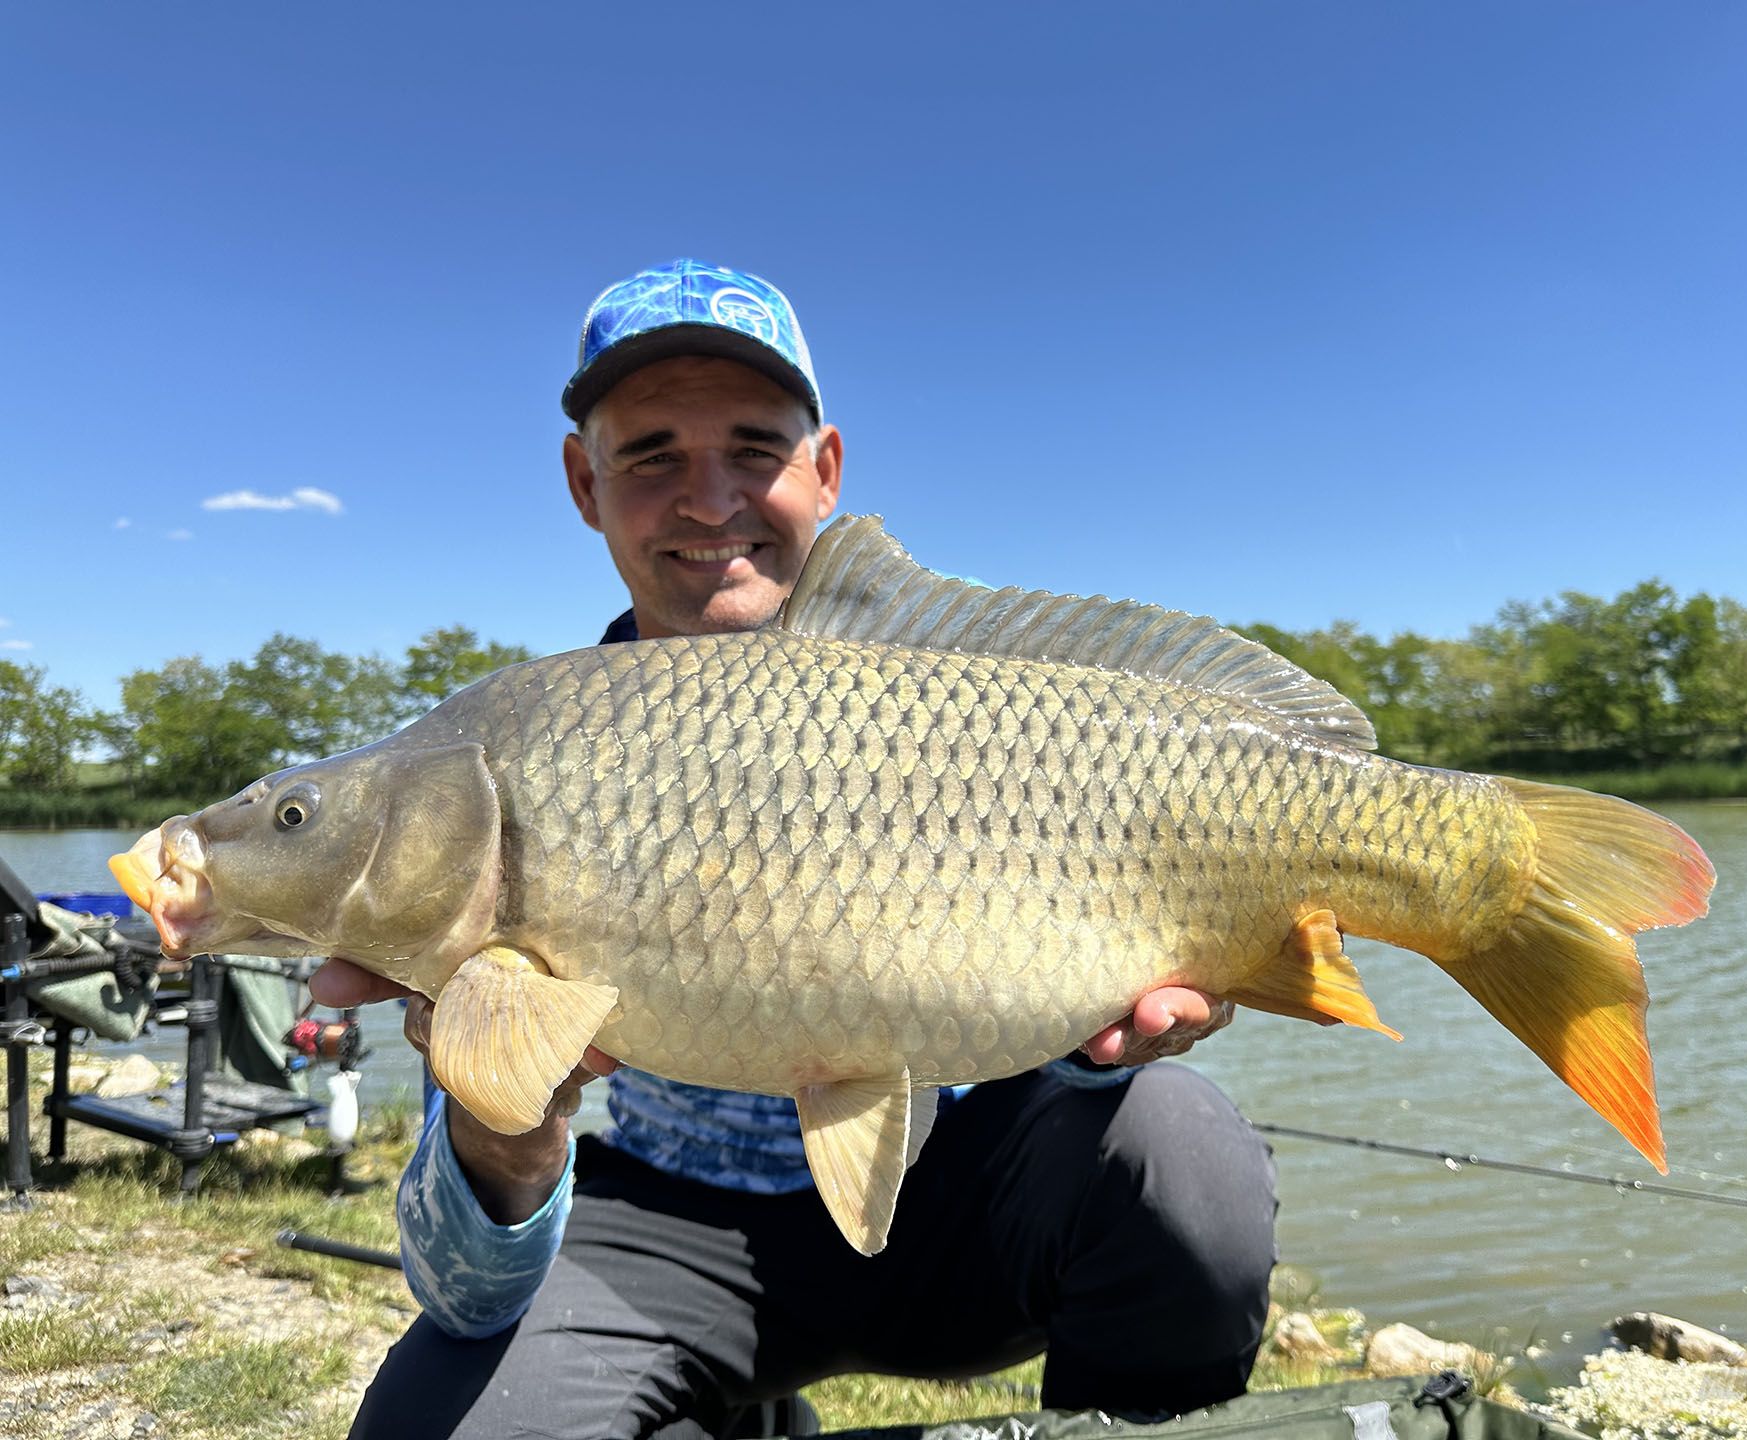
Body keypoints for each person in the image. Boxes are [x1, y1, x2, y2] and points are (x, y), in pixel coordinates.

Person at [313, 259, 1279, 1439]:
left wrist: (1094, 1047)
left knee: (1184, 1150)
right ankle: (740, 1412)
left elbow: (1071, 1057)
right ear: (584, 481)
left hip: (955, 1204)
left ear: (825, 470)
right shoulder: (518, 758)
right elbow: (464, 1290)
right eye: (653, 453)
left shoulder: (963, 693)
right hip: (670, 1232)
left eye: (756, 449)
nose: (708, 499)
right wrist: (505, 1129)